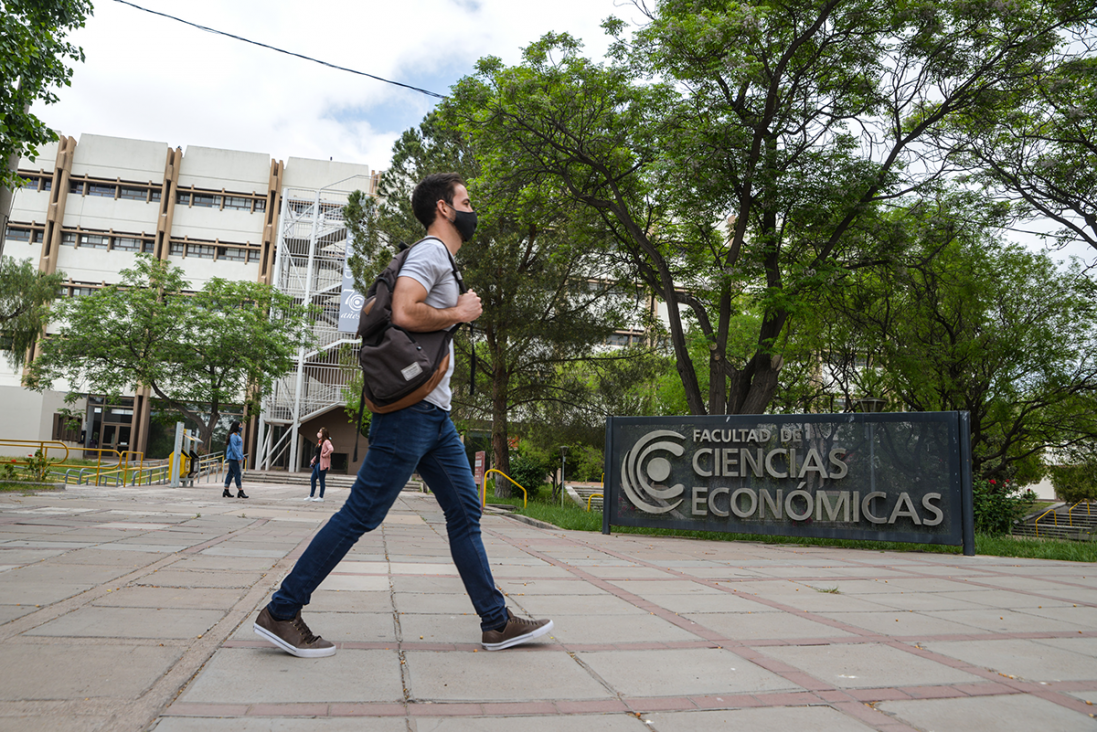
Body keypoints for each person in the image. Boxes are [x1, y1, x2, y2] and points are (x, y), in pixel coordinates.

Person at [254, 172, 553, 657]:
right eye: (466, 200)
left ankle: (496, 623)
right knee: (361, 515)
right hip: (411, 415)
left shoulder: (443, 260)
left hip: (435, 416)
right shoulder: (431, 252)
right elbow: (405, 311)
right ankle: (282, 610)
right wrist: (460, 312)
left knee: (464, 512)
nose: (472, 208)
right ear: (444, 208)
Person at [306, 427, 333, 502]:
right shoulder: (320, 442)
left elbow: (331, 449)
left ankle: (321, 497)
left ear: (323, 434)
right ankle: (311, 495)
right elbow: (318, 453)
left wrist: (325, 455)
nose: (318, 433)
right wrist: (314, 459)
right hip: (317, 463)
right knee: (313, 479)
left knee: (321, 480)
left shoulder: (327, 442)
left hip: (322, 464)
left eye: (320, 432)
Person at [223, 421, 248, 499]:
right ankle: (240, 491)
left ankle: (226, 490)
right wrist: (238, 457)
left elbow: (238, 448)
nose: (241, 427)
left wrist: (241, 456)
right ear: (236, 427)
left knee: (230, 473)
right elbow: (234, 448)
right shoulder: (234, 436)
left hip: (235, 457)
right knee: (237, 473)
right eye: (240, 426)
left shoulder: (237, 436)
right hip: (233, 458)